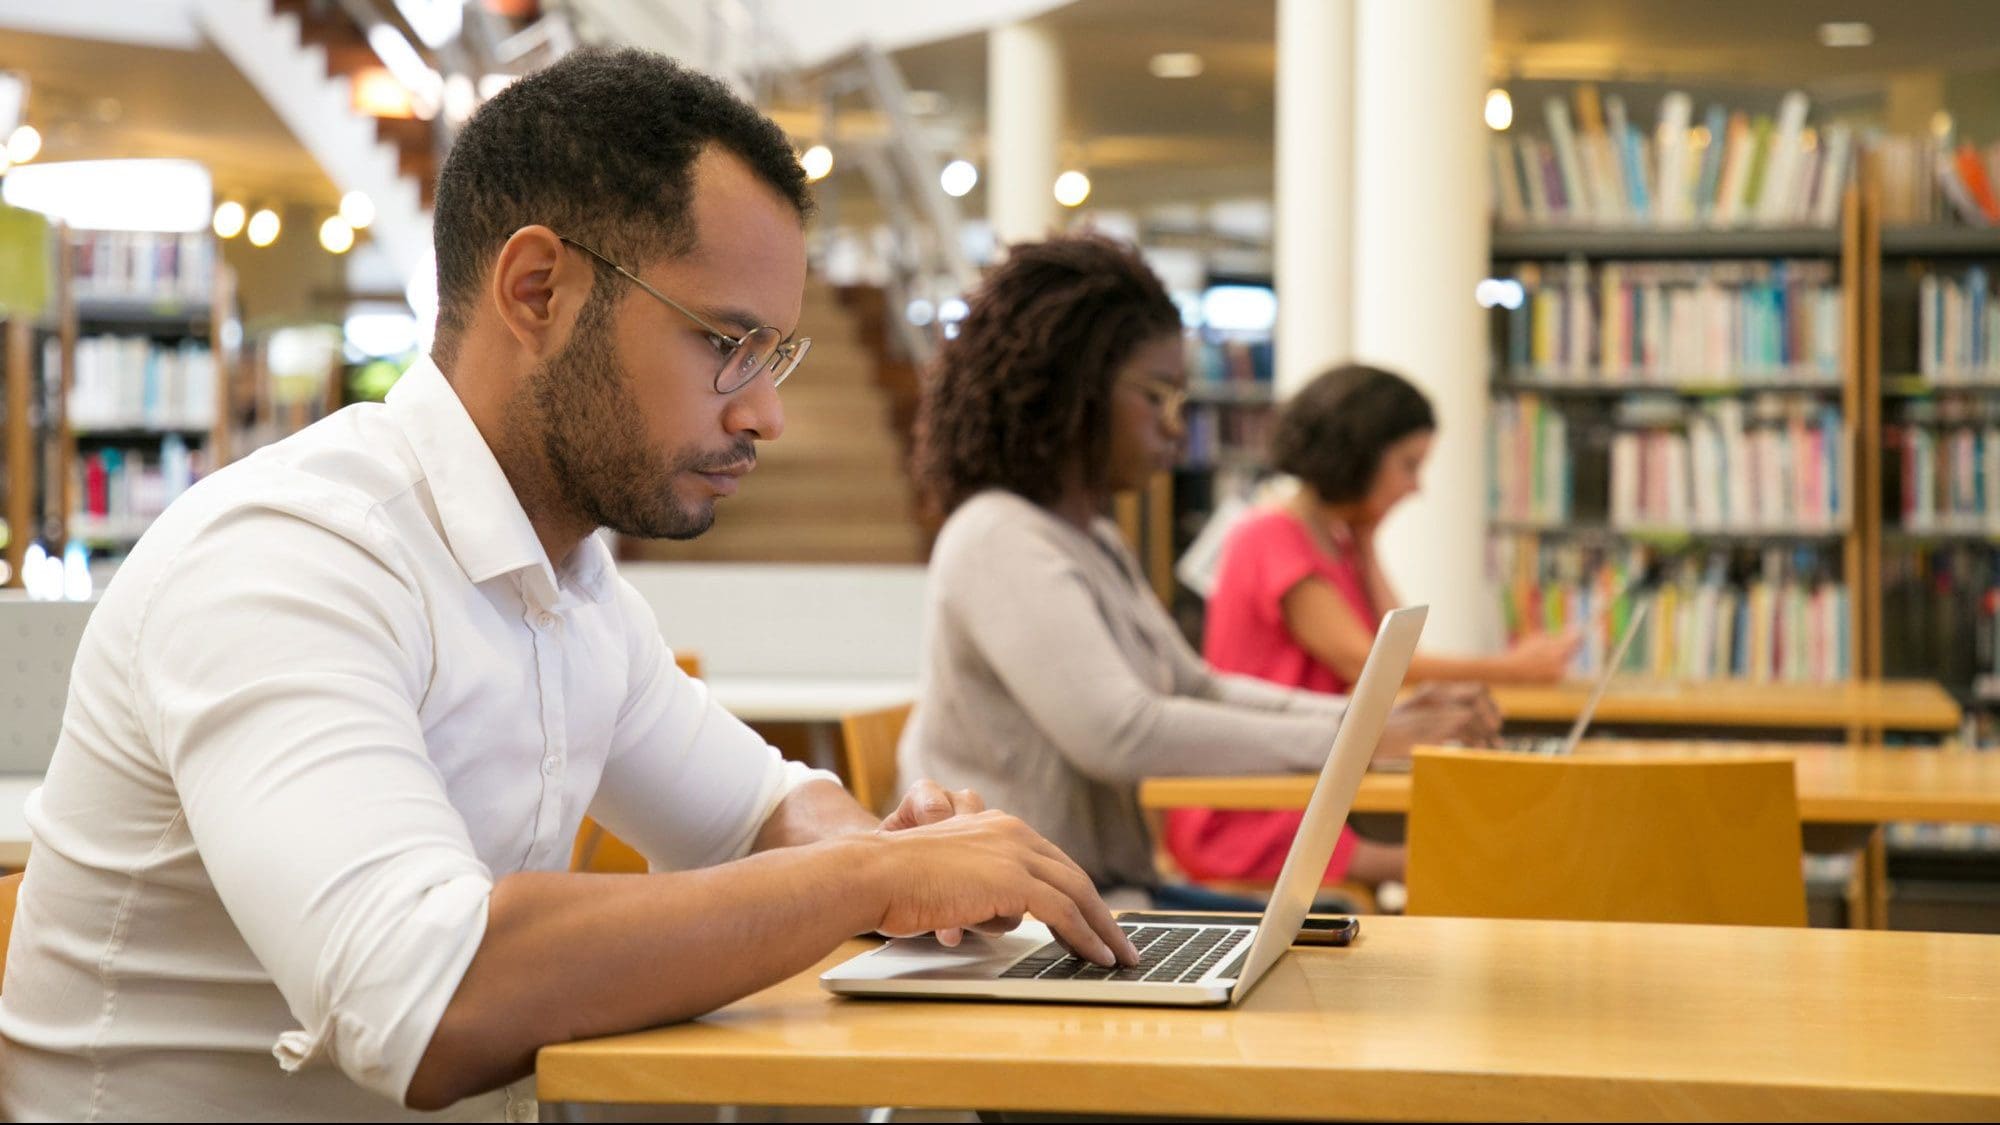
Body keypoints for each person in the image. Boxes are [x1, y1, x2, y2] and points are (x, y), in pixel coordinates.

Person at [0, 50, 1135, 1122]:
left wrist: (903, 857)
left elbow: (758, 817)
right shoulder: (290, 557)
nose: (764, 414)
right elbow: (428, 1001)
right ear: (537, 290)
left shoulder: (573, 589)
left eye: (774, 355)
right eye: (724, 342)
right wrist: (869, 879)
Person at [899, 235, 1500, 900]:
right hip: (1027, 915)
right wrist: (1361, 733)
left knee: (1337, 932)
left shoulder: (1090, 538)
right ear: (1074, 389)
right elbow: (1122, 733)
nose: (1174, 429)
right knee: (1338, 940)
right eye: (1157, 397)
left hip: (1099, 891)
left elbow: (1197, 686)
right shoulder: (997, 537)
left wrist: (1366, 716)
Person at [1165, 363, 1580, 888]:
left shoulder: (1334, 540)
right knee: (1478, 858)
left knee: (1479, 843)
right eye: (1408, 465)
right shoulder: (1270, 536)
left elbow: (1396, 649)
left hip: (1308, 785)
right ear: (1359, 458)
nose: (1415, 487)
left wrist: (1365, 542)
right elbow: (1366, 662)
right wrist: (1515, 669)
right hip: (1254, 807)